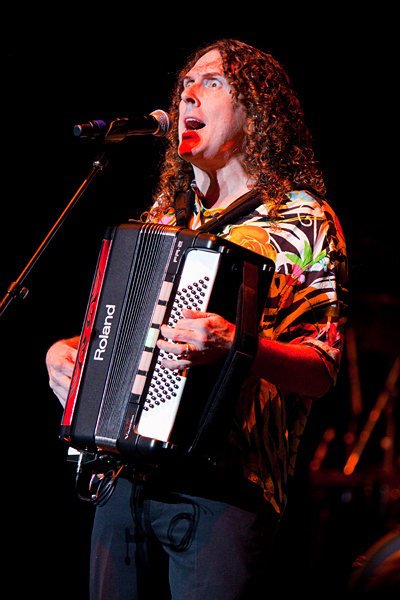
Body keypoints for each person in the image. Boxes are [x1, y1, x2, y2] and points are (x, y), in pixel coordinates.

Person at [47, 38, 348, 599]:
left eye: (211, 82)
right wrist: (66, 354)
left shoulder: (302, 221)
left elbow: (323, 366)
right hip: (122, 481)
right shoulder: (164, 218)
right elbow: (117, 334)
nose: (188, 92)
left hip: (225, 493)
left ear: (257, 112)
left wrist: (240, 347)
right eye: (185, 82)